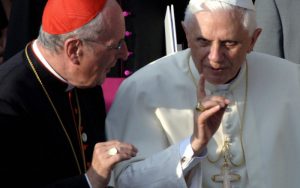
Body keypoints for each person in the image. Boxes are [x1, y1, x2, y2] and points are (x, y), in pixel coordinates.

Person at [106, 0, 300, 187]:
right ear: (186, 33)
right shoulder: (142, 89)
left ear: (253, 40)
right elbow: (128, 182)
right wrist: (193, 146)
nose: (215, 57)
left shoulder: (292, 82)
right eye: (203, 42)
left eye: (229, 43)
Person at [0, 0, 138, 187]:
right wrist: (90, 181)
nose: (124, 54)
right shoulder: (7, 101)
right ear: (74, 50)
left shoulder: (86, 77)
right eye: (116, 45)